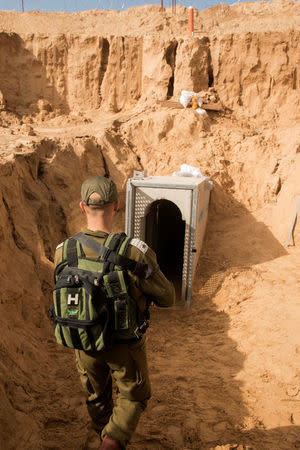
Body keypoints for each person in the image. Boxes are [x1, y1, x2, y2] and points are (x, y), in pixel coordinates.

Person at [53, 175, 175, 450]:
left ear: (82, 207)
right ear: (117, 206)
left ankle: (104, 434)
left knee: (96, 397)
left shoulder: (64, 251)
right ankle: (111, 441)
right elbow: (168, 297)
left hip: (82, 340)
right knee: (134, 396)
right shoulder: (133, 252)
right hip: (123, 343)